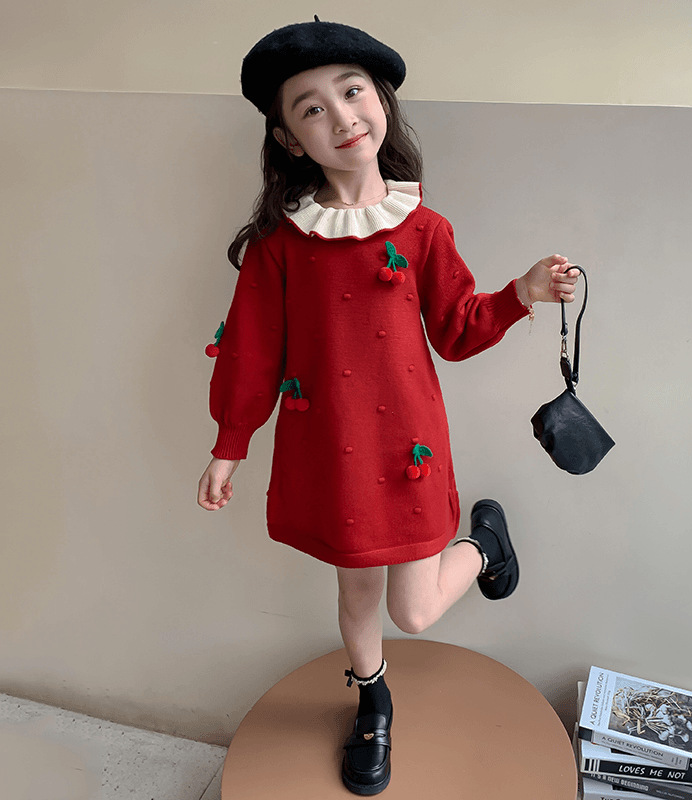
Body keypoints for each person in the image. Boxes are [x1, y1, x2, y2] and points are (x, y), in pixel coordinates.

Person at [196, 17, 579, 796]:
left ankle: (482, 545)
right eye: (311, 108)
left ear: (381, 103)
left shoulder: (425, 229)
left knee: (415, 611)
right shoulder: (279, 244)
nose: (340, 116)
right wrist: (230, 443)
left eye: (352, 92)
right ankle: (373, 704)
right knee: (355, 594)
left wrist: (522, 292)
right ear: (290, 139)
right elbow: (252, 351)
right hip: (328, 452)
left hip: (408, 450)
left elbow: (458, 330)